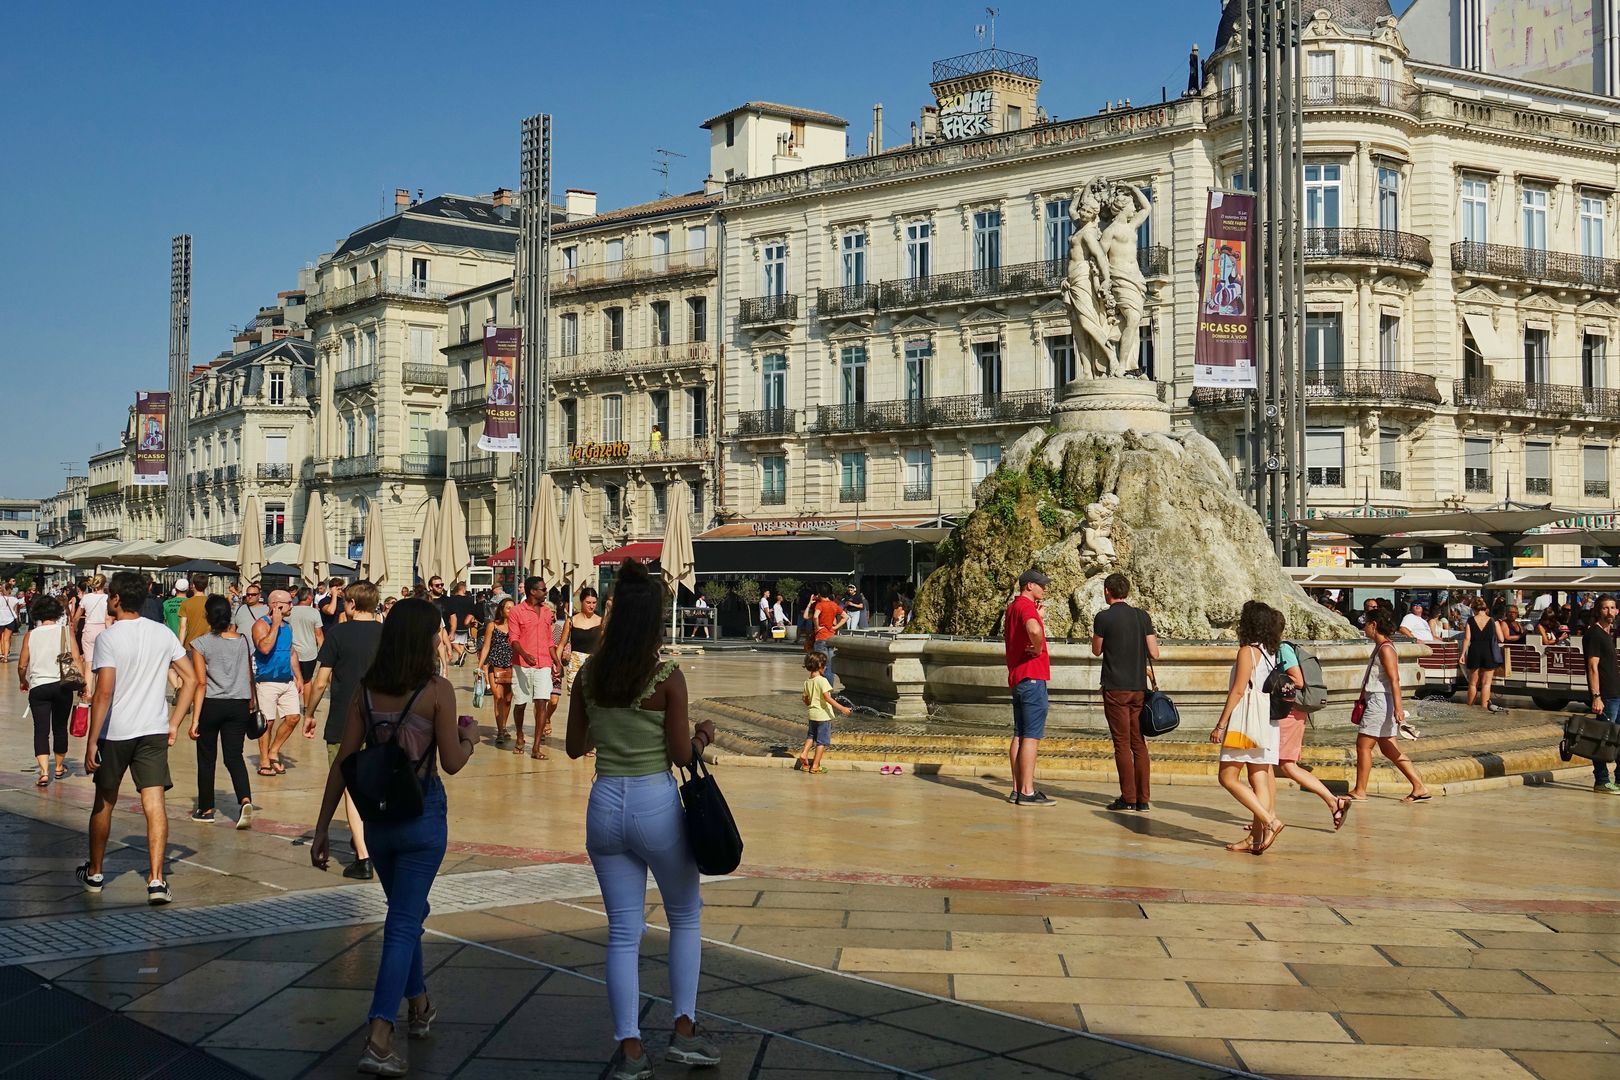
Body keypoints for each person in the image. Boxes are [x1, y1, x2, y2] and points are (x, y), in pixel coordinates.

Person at [564, 560, 720, 1079]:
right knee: (684, 916)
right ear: (653, 620)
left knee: (624, 933)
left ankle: (630, 1050)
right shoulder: (666, 676)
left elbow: (572, 747)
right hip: (655, 803)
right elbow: (680, 753)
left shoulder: (589, 674)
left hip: (604, 804)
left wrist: (607, 723)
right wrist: (702, 736)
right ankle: (684, 1031)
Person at [312, 598, 477, 1076]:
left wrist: (324, 826)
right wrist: (469, 737)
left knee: (407, 913)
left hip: (379, 823)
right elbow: (450, 761)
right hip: (423, 816)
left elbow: (345, 763)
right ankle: (379, 1035)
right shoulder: (437, 691)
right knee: (404, 921)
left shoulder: (366, 691)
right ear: (425, 638)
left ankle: (420, 1005)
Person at [77, 571, 197, 904]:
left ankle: (96, 872)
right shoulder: (162, 633)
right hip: (153, 729)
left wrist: (90, 741)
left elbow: (104, 692)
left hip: (116, 732)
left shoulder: (109, 638)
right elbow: (190, 680)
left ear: (115, 599)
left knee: (105, 800)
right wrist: (174, 720)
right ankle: (157, 880)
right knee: (154, 804)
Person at [305, 579, 385, 880]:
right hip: (382, 721)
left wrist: (310, 712)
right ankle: (371, 842)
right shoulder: (386, 633)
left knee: (352, 787)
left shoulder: (337, 633)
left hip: (344, 720)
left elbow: (322, 680)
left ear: (350, 604)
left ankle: (363, 858)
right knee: (374, 785)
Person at [1209, 601, 1284, 854]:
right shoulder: (1269, 652)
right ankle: (1255, 838)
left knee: (1227, 777)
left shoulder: (1247, 652)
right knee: (1258, 778)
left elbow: (1239, 690)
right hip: (1265, 721)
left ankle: (1270, 822)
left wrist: (1220, 724)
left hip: (1245, 721)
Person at [1269, 608, 1354, 830]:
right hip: (1287, 711)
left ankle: (1333, 802)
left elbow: (1297, 680)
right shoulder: (1274, 649)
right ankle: (1265, 816)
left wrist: (1270, 681)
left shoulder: (1282, 649)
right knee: (1278, 765)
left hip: (1290, 711)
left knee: (1283, 765)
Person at [1346, 608, 1431, 803]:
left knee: (1363, 745)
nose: (1364, 628)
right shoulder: (1382, 646)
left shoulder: (1385, 648)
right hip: (1380, 700)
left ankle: (1360, 790)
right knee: (1388, 747)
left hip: (1380, 701)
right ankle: (1419, 786)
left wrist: (1398, 709)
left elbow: (1395, 680)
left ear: (1374, 625)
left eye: (1366, 624)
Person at [1091, 572, 1160, 812]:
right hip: (1138, 688)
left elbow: (1096, 650)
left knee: (1121, 744)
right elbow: (1154, 652)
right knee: (1138, 743)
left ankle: (1128, 797)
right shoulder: (1142, 616)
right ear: (1127, 592)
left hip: (1115, 688)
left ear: (1107, 591)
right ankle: (1143, 799)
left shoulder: (1103, 617)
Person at [187, 595, 255, 828]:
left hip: (212, 703)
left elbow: (201, 683)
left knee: (207, 758)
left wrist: (195, 719)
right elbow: (248, 673)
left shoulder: (200, 644)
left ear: (207, 616)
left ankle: (206, 808)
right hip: (239, 704)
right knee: (234, 756)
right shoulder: (244, 641)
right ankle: (245, 799)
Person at [19, 594, 84, 787]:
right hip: (61, 686)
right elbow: (77, 659)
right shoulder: (65, 632)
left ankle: (44, 772)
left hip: (39, 686)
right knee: (59, 728)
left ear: (37, 613)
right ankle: (59, 767)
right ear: (57, 613)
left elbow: (22, 665)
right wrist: (83, 684)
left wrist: (23, 681)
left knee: (41, 730)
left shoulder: (31, 634)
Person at [1003, 568, 1055, 807]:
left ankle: (1016, 788)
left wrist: (1038, 618)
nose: (1044, 588)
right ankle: (1027, 791)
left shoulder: (1013, 608)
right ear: (1029, 586)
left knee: (1019, 734)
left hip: (1017, 678)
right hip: (1032, 677)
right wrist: (1037, 646)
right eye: (1041, 585)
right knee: (1032, 737)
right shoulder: (1025, 607)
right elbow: (1033, 630)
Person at [251, 589, 305, 776]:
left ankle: (274, 750)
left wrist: (298, 677)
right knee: (268, 722)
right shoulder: (261, 624)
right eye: (289, 603)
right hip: (267, 680)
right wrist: (274, 624)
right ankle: (264, 760)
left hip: (286, 678)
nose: (292, 606)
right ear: (276, 605)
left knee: (293, 718)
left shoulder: (288, 627)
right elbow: (264, 648)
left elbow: (291, 652)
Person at [507, 575, 556, 758]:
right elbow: (513, 639)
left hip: (544, 663)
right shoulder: (516, 612)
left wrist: (556, 659)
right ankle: (520, 735)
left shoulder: (547, 612)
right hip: (522, 664)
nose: (546, 592)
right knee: (520, 703)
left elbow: (549, 639)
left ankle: (536, 747)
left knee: (542, 702)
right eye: (543, 589)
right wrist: (524, 654)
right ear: (533, 591)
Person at [1584, 595, 1620, 794]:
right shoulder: (1594, 634)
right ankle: (1602, 780)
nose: (1609, 611)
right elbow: (1592, 666)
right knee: (1602, 738)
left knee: (1617, 738)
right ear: (1599, 611)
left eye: (1612, 607)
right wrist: (1596, 696)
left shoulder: (1607, 634)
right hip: (1606, 695)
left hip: (1617, 693)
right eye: (1605, 608)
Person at [796, 650, 850, 773]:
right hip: (823, 716)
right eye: (825, 665)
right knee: (822, 742)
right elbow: (827, 697)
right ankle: (815, 766)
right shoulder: (822, 680)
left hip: (812, 714)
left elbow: (805, 698)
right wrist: (842, 708)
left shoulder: (807, 682)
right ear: (820, 666)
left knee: (811, 736)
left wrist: (810, 704)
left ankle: (804, 753)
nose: (826, 668)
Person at [476, 597, 517, 746]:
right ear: (501, 610)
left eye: (513, 608)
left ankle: (504, 726)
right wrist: (480, 666)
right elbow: (486, 646)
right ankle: (500, 730)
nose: (511, 610)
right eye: (508, 608)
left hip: (512, 666)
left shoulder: (517, 626)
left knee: (507, 699)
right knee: (498, 697)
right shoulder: (492, 626)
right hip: (495, 665)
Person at [1461, 597, 1506, 713]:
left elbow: (1467, 638)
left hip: (1474, 651)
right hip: (1489, 652)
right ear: (1485, 608)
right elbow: (1501, 638)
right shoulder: (1493, 621)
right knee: (1486, 683)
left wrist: (1462, 654)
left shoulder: (1470, 621)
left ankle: (1469, 708)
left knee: (1472, 683)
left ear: (1473, 609)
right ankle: (1484, 709)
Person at [559, 587, 603, 698]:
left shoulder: (601, 621)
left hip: (594, 664)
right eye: (588, 602)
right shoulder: (571, 620)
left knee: (592, 698)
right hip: (575, 664)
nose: (591, 606)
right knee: (576, 697)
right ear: (581, 602)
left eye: (594, 603)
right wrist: (557, 663)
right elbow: (561, 644)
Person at [78, 575, 111, 699]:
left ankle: (88, 692)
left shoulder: (86, 598)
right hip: (103, 629)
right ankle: (98, 692)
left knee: (89, 664)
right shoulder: (107, 598)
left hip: (89, 629)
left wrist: (75, 626)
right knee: (102, 663)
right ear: (104, 584)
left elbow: (77, 615)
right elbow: (108, 617)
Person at [289, 587, 325, 693]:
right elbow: (318, 634)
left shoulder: (290, 611)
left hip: (292, 651)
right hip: (309, 653)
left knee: (293, 680)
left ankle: (293, 705)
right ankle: (306, 707)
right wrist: (324, 653)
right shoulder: (314, 612)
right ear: (309, 597)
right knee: (307, 680)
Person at [811, 583, 847, 686]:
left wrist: (817, 627)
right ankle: (829, 690)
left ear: (819, 593)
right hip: (831, 637)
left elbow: (815, 616)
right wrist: (835, 627)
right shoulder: (833, 604)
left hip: (821, 637)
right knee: (830, 666)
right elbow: (845, 616)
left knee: (820, 665)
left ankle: (821, 689)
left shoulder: (820, 604)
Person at [442, 581, 477, 666]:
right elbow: (472, 612)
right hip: (465, 623)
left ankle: (461, 653)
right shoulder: (470, 599)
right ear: (463, 589)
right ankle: (460, 660)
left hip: (455, 622)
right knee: (461, 642)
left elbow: (449, 611)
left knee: (451, 641)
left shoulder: (452, 599)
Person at [177, 574, 211, 647]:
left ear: (193, 585)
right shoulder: (211, 602)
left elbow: (183, 627)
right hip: (208, 644)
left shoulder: (186, 603)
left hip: (191, 644)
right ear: (206, 586)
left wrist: (180, 647)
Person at [0, 583, 20, 662]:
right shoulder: (15, 600)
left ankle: (1, 653)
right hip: (10, 620)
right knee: (7, 639)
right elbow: (15, 611)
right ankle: (5, 657)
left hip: (1, 620)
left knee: (0, 638)